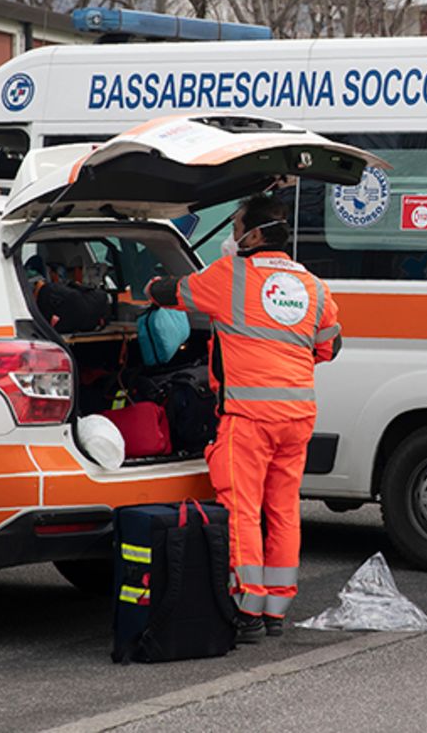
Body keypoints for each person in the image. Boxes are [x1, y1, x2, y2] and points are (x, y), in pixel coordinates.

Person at [145, 194, 341, 641]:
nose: (231, 235)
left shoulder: (229, 276)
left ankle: (246, 608)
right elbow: (330, 346)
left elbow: (175, 294)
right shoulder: (313, 285)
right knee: (284, 509)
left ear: (253, 234)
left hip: (249, 417)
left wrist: (149, 286)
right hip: (297, 415)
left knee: (242, 509)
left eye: (234, 226)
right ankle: (276, 608)